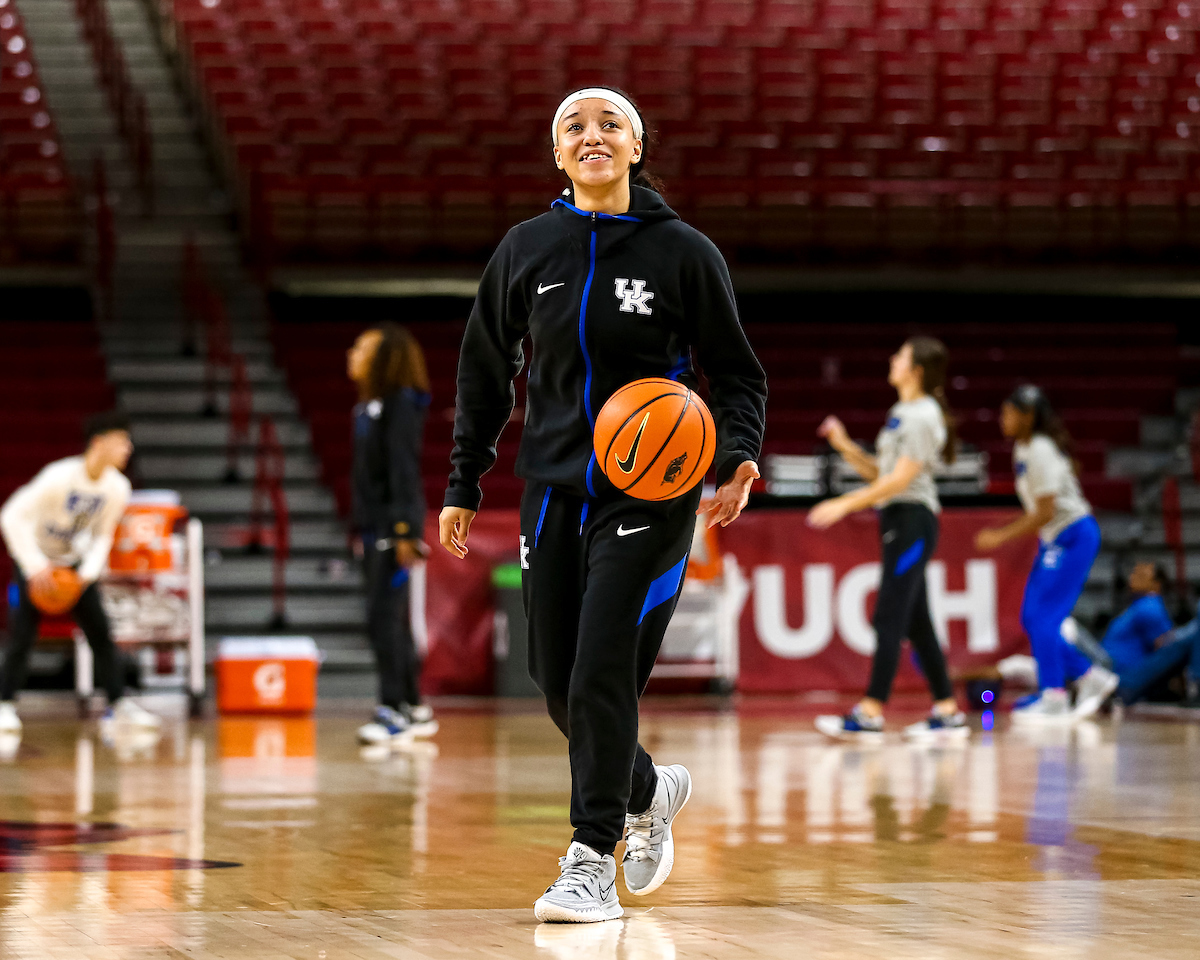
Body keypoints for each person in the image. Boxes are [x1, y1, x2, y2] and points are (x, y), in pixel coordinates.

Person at [438, 87, 767, 923]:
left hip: (651, 495)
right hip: (553, 492)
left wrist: (737, 455)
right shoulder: (526, 248)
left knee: (600, 672)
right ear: (558, 154)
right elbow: (484, 370)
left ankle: (590, 862)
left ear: (635, 146)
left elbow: (736, 372)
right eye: (573, 127)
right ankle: (648, 789)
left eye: (609, 124)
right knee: (555, 682)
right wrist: (465, 480)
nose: (592, 135)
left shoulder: (683, 252)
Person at [809, 338, 969, 743]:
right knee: (917, 622)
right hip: (900, 520)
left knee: (888, 617)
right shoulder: (903, 413)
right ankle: (948, 711)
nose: (892, 360)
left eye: (900, 356)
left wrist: (844, 504)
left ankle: (870, 712)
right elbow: (882, 474)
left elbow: (899, 481)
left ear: (916, 370)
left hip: (913, 521)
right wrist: (844, 445)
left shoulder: (922, 416)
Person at [0, 411, 160, 735]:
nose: (128, 448)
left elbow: (103, 535)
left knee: (101, 633)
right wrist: (34, 566)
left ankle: (119, 705)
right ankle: (4, 705)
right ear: (98, 443)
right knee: (22, 636)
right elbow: (11, 515)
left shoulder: (118, 487)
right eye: (122, 441)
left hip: (74, 565)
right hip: (37, 563)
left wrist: (85, 575)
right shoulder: (59, 477)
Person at [974, 384, 1112, 724]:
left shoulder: (1040, 450)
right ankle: (1089, 677)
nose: (1002, 419)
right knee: (1032, 617)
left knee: (1044, 619)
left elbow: (1046, 512)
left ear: (1028, 416)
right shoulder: (1024, 450)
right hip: (1055, 539)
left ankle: (1055, 696)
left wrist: (1000, 536)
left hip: (1073, 535)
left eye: (1009, 413)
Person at [345, 324, 437, 744]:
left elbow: (403, 470)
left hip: (392, 528)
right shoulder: (367, 407)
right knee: (389, 620)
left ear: (385, 357)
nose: (352, 353)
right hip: (372, 527)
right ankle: (412, 706)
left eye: (362, 348)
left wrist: (405, 531)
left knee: (383, 620)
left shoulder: (401, 404)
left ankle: (394, 709)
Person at [1082, 562, 1199, 710]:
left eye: (1141, 575)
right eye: (1133, 573)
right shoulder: (1145, 606)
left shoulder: (1148, 606)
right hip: (1122, 679)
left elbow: (1166, 651)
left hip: (1119, 678)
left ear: (1157, 584)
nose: (1133, 578)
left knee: (1191, 634)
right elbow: (1167, 651)